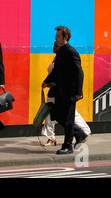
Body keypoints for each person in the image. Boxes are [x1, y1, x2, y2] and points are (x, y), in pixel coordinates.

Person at [42, 26, 86, 154]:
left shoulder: (71, 52)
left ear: (65, 37)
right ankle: (80, 134)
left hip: (70, 92)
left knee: (68, 119)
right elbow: (56, 70)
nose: (56, 38)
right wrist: (47, 80)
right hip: (60, 91)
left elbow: (79, 72)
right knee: (58, 116)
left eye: (58, 36)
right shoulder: (61, 51)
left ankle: (68, 146)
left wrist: (79, 92)